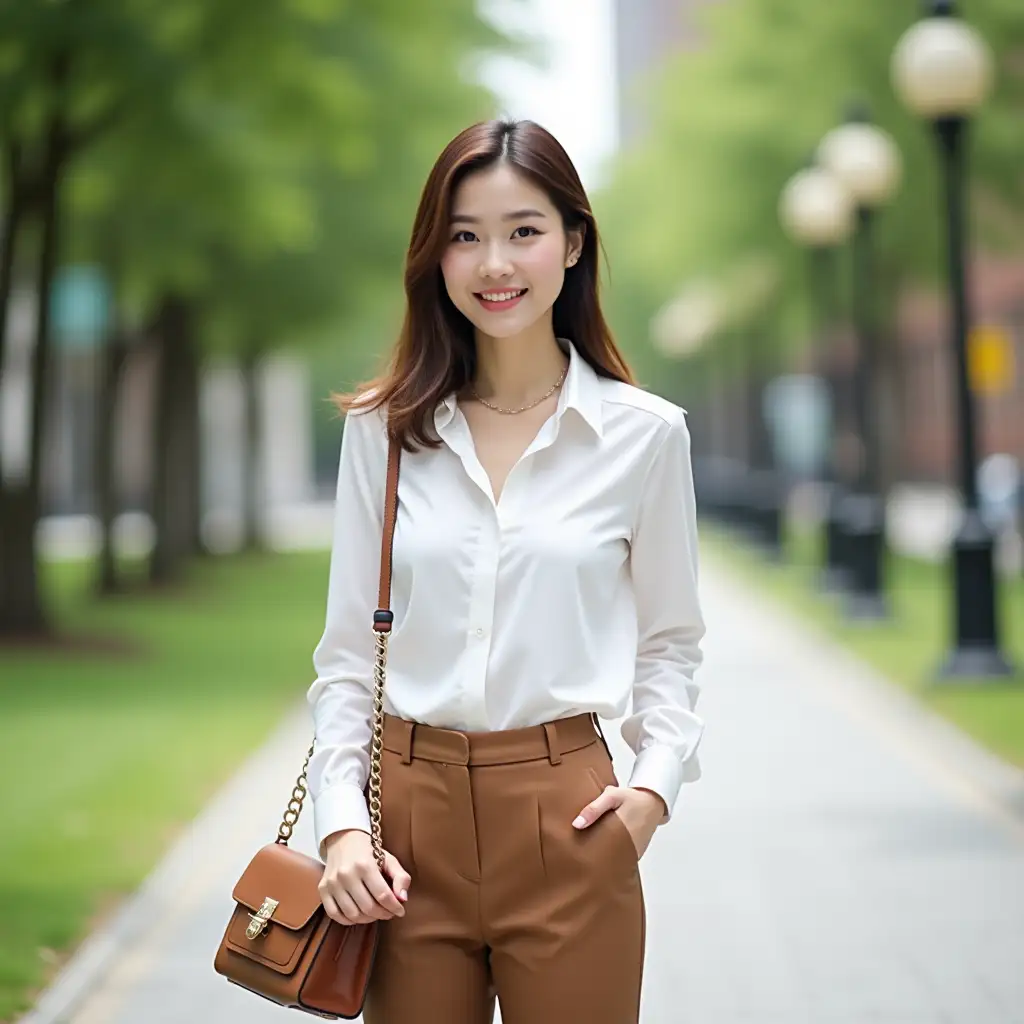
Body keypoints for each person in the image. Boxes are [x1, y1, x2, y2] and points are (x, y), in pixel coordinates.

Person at [306, 118, 706, 1024]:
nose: (495, 263)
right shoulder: (383, 432)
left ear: (572, 244)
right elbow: (342, 659)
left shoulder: (645, 437)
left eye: (523, 231)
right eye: (465, 235)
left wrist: (652, 792)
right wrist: (341, 825)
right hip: (404, 836)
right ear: (435, 258)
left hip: (568, 818)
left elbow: (671, 645)